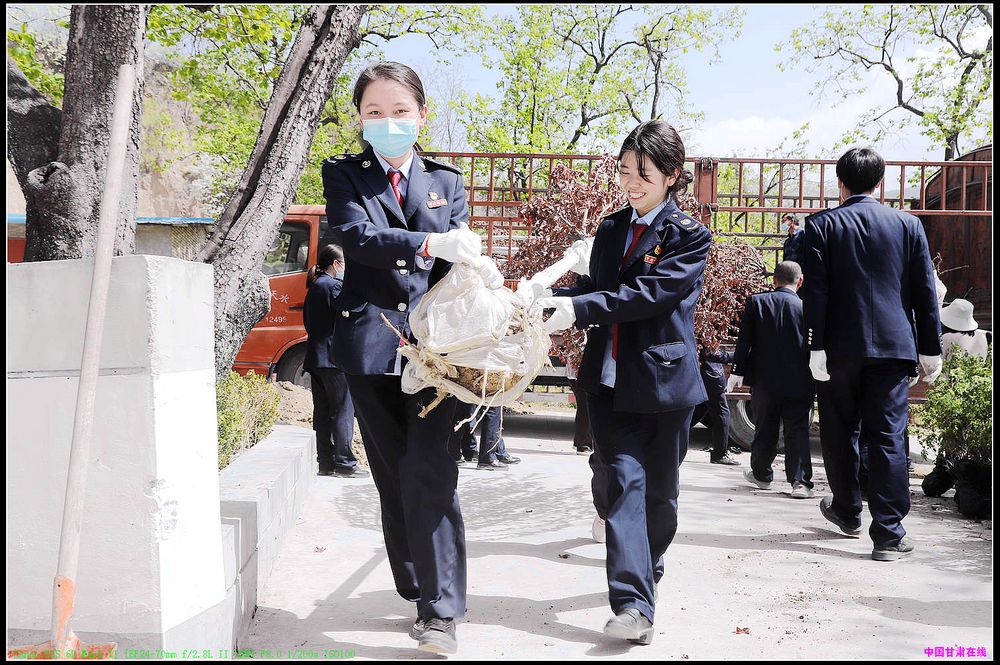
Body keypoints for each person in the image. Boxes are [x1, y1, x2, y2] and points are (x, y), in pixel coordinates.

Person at [322, 61, 503, 655]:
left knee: (431, 468)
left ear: (422, 114)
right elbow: (355, 237)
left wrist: (477, 266)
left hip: (437, 351)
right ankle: (416, 579)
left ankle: (440, 609)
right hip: (370, 344)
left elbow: (457, 263)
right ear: (359, 118)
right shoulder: (344, 174)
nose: (388, 121)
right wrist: (428, 241)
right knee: (393, 473)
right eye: (374, 112)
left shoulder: (446, 181)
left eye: (400, 110)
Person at [531, 120, 712, 644]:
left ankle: (646, 563)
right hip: (608, 383)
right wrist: (550, 298)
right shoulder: (610, 229)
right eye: (625, 171)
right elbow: (597, 287)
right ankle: (634, 605)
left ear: (671, 176)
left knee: (661, 498)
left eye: (643, 173)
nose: (631, 183)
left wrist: (580, 307)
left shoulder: (688, 237)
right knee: (623, 485)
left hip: (663, 385)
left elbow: (648, 296)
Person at [801, 147, 942, 562]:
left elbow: (817, 293)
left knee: (838, 432)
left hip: (839, 348)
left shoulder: (821, 225)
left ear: (839, 183)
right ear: (880, 183)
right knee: (888, 437)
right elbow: (924, 290)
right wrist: (930, 347)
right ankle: (889, 535)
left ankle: (847, 511)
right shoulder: (908, 224)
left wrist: (815, 344)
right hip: (894, 348)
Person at [728, 261, 815, 498]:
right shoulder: (807, 308)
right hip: (800, 379)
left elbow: (744, 341)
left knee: (765, 427)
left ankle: (762, 474)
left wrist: (737, 371)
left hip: (764, 379)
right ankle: (800, 482)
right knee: (797, 430)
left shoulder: (756, 302)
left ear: (774, 280)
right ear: (800, 281)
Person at [304, 244, 366, 478]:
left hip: (316, 357)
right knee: (342, 410)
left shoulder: (315, 286)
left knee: (322, 412)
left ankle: (326, 463)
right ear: (336, 264)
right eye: (345, 264)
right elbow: (350, 317)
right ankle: (345, 464)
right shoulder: (333, 287)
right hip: (333, 360)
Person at [699, 347, 740, 466]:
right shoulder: (704, 338)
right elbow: (713, 354)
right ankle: (719, 454)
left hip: (708, 375)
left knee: (697, 413)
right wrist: (738, 355)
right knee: (722, 414)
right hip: (710, 377)